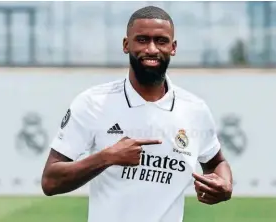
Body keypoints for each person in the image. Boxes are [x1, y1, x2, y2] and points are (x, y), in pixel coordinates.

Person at [41, 5, 233, 222]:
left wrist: (225, 184)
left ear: (173, 47)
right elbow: (50, 181)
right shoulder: (93, 103)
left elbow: (216, 162)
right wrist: (108, 157)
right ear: (126, 45)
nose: (151, 49)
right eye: (142, 40)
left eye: (161, 41)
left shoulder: (194, 109)